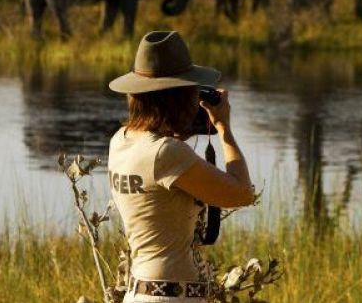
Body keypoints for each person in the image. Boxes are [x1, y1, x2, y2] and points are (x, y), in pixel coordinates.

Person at [107, 30, 254, 302]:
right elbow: (243, 193)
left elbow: (157, 177)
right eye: (192, 89)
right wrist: (224, 128)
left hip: (140, 292)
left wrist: (180, 128)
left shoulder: (121, 141)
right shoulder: (167, 154)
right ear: (178, 97)